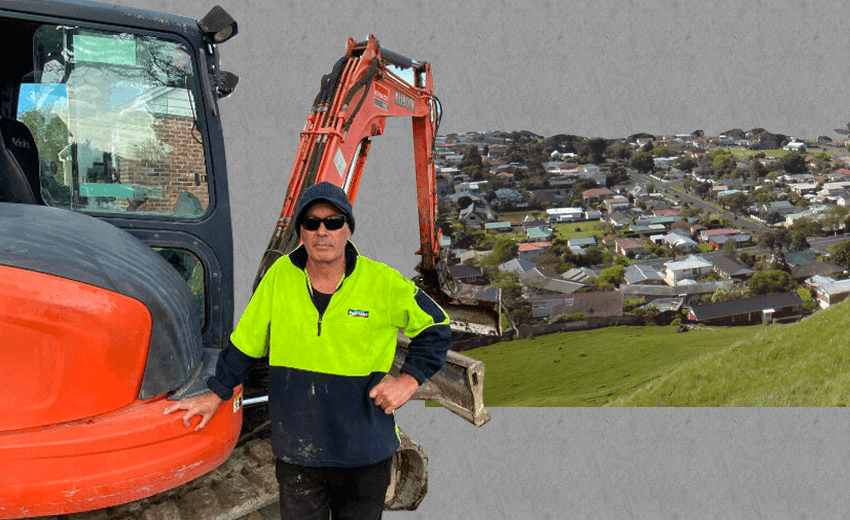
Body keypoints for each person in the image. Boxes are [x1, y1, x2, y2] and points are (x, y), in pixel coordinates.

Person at [164, 181, 452, 519]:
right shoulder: (279, 278)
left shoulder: (383, 282)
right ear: (301, 231)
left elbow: (436, 326)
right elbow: (245, 343)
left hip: (365, 452)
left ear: (348, 229)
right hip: (299, 452)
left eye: (333, 222)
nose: (322, 231)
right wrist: (216, 393)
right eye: (312, 222)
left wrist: (408, 381)